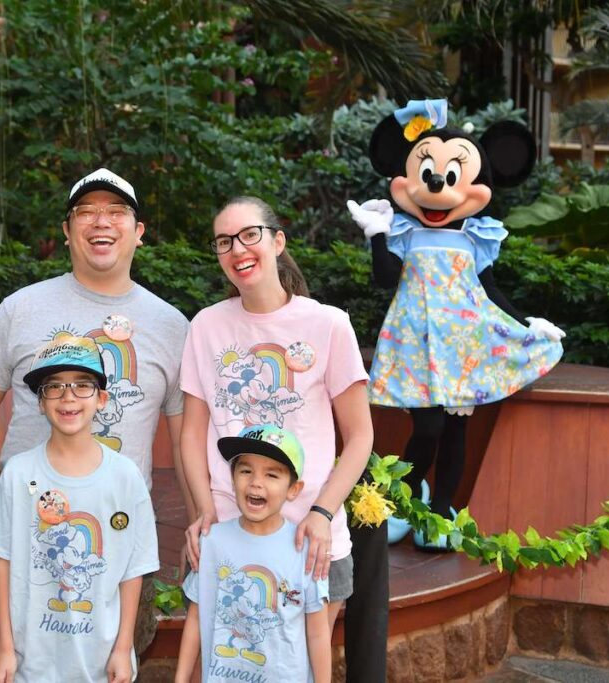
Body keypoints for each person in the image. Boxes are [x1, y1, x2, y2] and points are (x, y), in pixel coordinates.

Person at [0, 168, 190, 680]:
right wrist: (21, 479)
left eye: (115, 212)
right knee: (5, 660)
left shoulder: (173, 326)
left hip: (118, 537)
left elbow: (186, 438)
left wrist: (198, 520)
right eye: (86, 212)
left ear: (139, 230)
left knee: (113, 664)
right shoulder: (20, 309)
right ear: (67, 230)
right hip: (26, 538)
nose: (100, 223)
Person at [179, 196, 386, 682]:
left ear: (277, 241)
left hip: (308, 539)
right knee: (233, 668)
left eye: (249, 235)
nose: (238, 249)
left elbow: (360, 437)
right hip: (229, 534)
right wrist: (202, 510)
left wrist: (321, 513)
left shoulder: (328, 324)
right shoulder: (206, 326)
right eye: (224, 242)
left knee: (294, 669)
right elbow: (192, 433)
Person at [347, 99, 564, 550]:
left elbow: (488, 291)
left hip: (463, 349)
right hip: (418, 348)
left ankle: (440, 512)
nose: (438, 187)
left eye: (451, 177)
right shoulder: (403, 233)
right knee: (426, 428)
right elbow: (386, 279)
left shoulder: (475, 238)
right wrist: (376, 236)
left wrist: (527, 326)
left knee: (456, 430)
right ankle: (404, 501)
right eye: (429, 176)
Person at [0, 335, 158, 682]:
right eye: (54, 387)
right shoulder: (18, 474)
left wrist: (122, 648)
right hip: (31, 664)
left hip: (101, 663)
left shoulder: (125, 478)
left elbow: (135, 570)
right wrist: (6, 649)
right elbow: (3, 561)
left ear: (102, 399)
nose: (68, 396)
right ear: (40, 402)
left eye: (82, 385)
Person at [175, 424, 331, 683]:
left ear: (294, 489)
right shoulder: (211, 542)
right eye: (246, 470)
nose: (256, 483)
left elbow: (317, 632)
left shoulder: (305, 549)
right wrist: (181, 678)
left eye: (272, 475)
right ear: (233, 478)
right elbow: (195, 618)